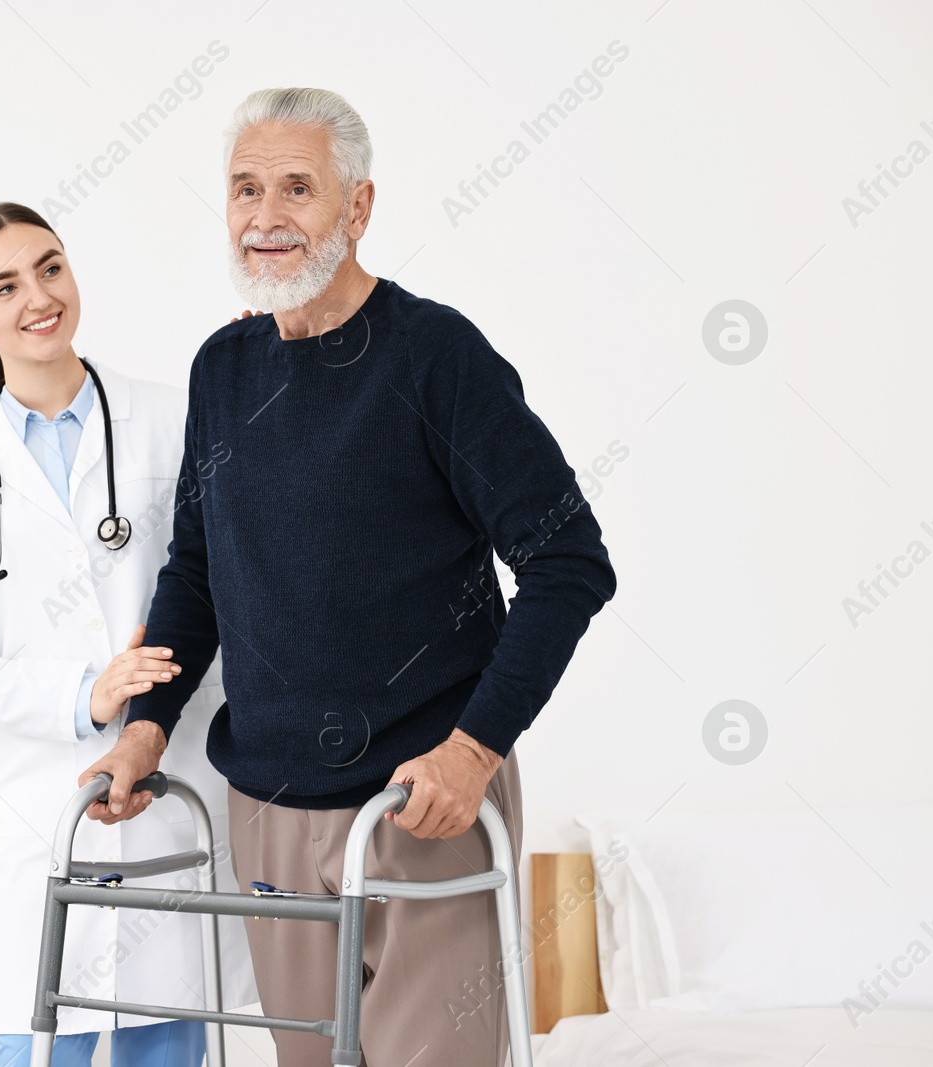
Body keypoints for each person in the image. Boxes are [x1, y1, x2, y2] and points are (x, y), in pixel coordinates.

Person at [79, 88, 619, 1067]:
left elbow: (567, 560)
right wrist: (144, 729)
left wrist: (473, 750)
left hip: (422, 804)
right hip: (274, 807)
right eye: (245, 189)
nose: (265, 215)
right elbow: (195, 571)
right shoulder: (224, 368)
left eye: (297, 187)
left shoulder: (433, 355)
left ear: (358, 208)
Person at [0, 202, 256, 1067]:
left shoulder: (177, 416)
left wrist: (271, 377)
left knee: (173, 1036)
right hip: (42, 808)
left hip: (173, 794)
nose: (38, 296)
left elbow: (239, 567)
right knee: (38, 1044)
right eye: (5, 284)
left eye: (51, 267)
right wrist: (82, 694)